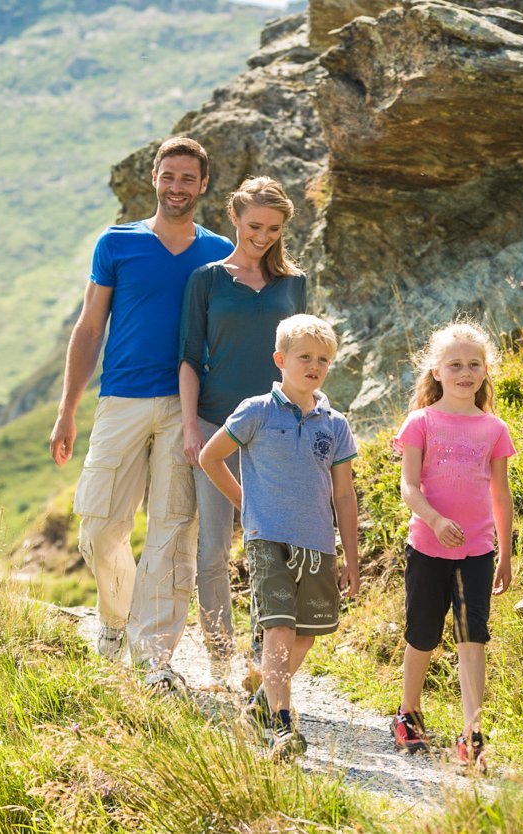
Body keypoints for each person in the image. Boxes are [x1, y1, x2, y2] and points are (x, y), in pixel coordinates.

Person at [48, 136, 235, 683]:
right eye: (168, 176)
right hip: (121, 400)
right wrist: (67, 412)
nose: (177, 187)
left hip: (188, 407)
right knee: (100, 527)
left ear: (203, 186)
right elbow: (88, 329)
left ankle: (154, 661)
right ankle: (114, 617)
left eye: (188, 179)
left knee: (173, 532)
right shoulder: (116, 244)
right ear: (154, 178)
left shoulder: (219, 252)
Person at [197, 314, 361, 757]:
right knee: (279, 626)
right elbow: (210, 458)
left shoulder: (335, 424)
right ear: (280, 359)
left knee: (306, 633)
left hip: (319, 544)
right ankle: (284, 723)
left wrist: (351, 557)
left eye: (323, 359)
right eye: (304, 356)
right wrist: (243, 505)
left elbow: (345, 496)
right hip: (267, 537)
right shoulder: (256, 411)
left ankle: (260, 705)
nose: (314, 365)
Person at [178, 176, 309, 689]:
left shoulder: (293, 284)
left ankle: (262, 663)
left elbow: (304, 358)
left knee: (271, 546)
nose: (263, 236)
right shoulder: (206, 279)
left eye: (274, 229)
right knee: (213, 547)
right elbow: (189, 357)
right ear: (234, 218)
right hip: (216, 426)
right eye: (255, 225)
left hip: (277, 430)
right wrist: (191, 427)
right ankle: (218, 660)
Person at [389, 321, 516, 768]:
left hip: (478, 552)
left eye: (474, 364)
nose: (466, 372)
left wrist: (505, 551)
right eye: (456, 364)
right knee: (422, 633)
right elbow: (408, 487)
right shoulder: (421, 422)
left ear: (486, 371)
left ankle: (472, 733)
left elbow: (501, 494)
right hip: (426, 546)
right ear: (437, 371)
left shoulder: (494, 428)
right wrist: (436, 520)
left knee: (472, 637)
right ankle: (408, 713)